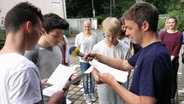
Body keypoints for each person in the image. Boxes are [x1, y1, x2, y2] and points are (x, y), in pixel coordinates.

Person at [83, 2, 172, 104]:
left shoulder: (152, 57)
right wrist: (97, 56)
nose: (126, 33)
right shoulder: (148, 49)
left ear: (145, 26)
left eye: (130, 28)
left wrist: (112, 82)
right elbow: (124, 64)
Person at [0, 2, 65, 104]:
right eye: (39, 31)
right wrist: (54, 101)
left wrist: (37, 84)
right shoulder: (24, 68)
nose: (40, 36)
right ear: (29, 27)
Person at [25, 13, 76, 104]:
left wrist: (71, 77)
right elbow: (25, 83)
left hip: (61, 96)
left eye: (61, 35)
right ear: (43, 31)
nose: (59, 39)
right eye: (56, 36)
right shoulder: (32, 52)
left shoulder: (59, 47)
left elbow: (61, 68)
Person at [92, 17, 131, 104]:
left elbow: (128, 70)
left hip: (121, 90)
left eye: (114, 36)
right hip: (104, 91)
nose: (110, 39)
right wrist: (96, 76)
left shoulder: (125, 49)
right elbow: (94, 67)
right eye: (108, 35)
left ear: (118, 32)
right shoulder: (97, 48)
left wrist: (121, 79)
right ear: (104, 32)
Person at [160, 16, 182, 103]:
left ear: (176, 23)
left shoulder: (179, 35)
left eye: (172, 22)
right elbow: (160, 46)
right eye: (169, 22)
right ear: (166, 23)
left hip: (173, 62)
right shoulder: (163, 34)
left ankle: (171, 97)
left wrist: (168, 61)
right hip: (162, 61)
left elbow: (176, 50)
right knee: (162, 78)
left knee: (172, 79)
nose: (171, 24)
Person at [75, 20, 98, 103]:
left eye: (88, 26)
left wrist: (94, 57)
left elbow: (96, 48)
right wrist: (82, 57)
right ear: (82, 27)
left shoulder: (94, 35)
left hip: (92, 61)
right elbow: (76, 49)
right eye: (85, 26)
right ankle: (86, 94)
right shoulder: (79, 36)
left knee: (92, 78)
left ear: (90, 26)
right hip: (83, 61)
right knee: (85, 79)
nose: (87, 28)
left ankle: (92, 93)